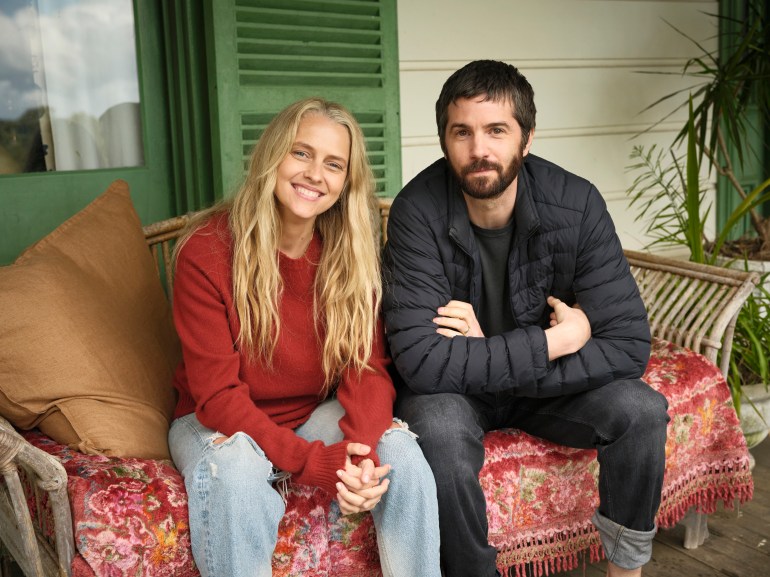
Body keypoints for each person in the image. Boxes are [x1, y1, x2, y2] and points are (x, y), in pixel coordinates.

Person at [382, 60, 670, 577]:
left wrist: (483, 350)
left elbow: (628, 344)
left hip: (534, 388)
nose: (479, 150)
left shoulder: (576, 204)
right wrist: (558, 341)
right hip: (456, 394)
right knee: (440, 434)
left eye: (497, 130)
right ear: (444, 140)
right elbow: (422, 363)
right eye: (462, 132)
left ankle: (626, 568)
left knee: (641, 410)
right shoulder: (415, 212)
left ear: (527, 137)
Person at [168, 97, 441, 577]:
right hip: (213, 423)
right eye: (301, 153)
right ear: (272, 157)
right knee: (234, 470)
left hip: (309, 414)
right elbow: (217, 397)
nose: (316, 173)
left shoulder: (348, 254)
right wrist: (313, 463)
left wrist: (362, 453)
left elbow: (367, 367)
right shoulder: (206, 252)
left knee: (400, 452)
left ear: (346, 183)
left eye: (334, 164)